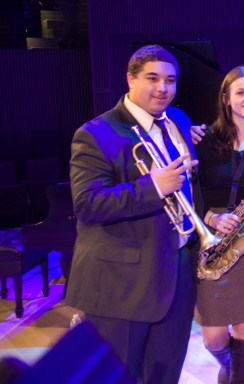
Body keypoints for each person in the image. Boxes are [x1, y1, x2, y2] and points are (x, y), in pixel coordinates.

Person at [67, 44, 201, 383]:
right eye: (152, 78)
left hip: (176, 272)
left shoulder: (178, 121)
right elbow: (87, 204)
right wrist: (153, 187)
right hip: (121, 284)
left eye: (170, 80)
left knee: (164, 371)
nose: (163, 88)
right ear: (130, 78)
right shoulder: (95, 133)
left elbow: (185, 186)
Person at [194, 66, 244, 384]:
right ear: (226, 99)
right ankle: (227, 364)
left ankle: (240, 377)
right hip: (210, 234)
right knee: (213, 333)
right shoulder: (204, 139)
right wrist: (210, 218)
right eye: (240, 92)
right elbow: (186, 192)